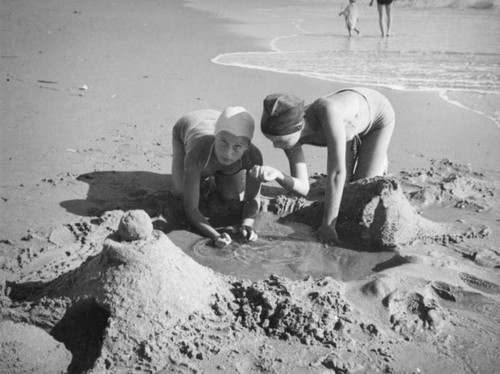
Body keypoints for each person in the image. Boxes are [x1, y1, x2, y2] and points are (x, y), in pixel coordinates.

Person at [250, 88, 395, 245]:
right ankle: (356, 145)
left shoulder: (327, 111)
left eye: (280, 141)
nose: (276, 146)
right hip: (344, 129)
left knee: (361, 193)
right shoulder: (289, 136)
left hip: (377, 114)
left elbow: (337, 172)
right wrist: (278, 175)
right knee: (346, 192)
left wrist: (328, 226)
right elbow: (304, 188)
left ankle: (379, 159)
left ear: (298, 127)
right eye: (272, 140)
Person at [172, 107, 263, 248]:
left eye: (237, 147)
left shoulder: (253, 156)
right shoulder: (198, 152)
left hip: (220, 122)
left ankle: (215, 172)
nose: (228, 153)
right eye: (223, 142)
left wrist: (247, 223)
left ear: (247, 145)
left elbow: (252, 199)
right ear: (216, 135)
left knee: (231, 196)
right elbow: (191, 208)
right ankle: (208, 172)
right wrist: (215, 235)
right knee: (180, 191)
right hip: (191, 125)